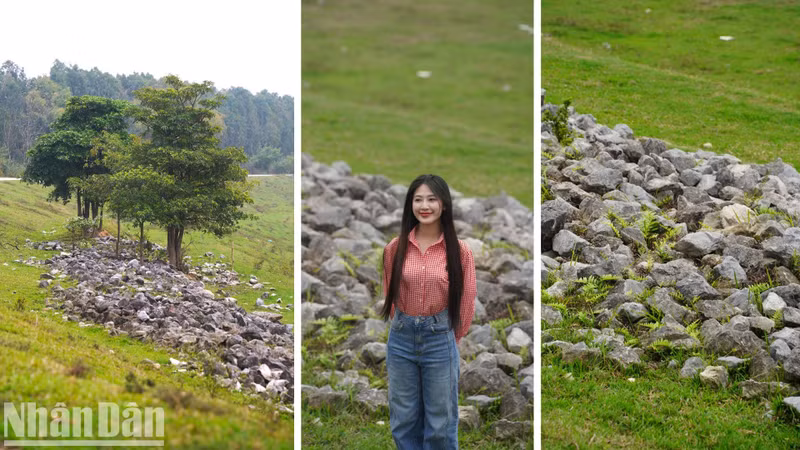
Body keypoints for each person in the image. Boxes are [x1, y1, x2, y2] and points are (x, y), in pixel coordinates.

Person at [382, 174, 477, 450]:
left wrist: (450, 336)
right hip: (401, 339)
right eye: (418, 199)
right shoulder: (395, 248)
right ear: (410, 204)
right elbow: (392, 293)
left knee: (440, 421)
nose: (425, 206)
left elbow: (467, 299)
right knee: (403, 418)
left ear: (444, 205)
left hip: (440, 339)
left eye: (432, 199)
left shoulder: (459, 251)